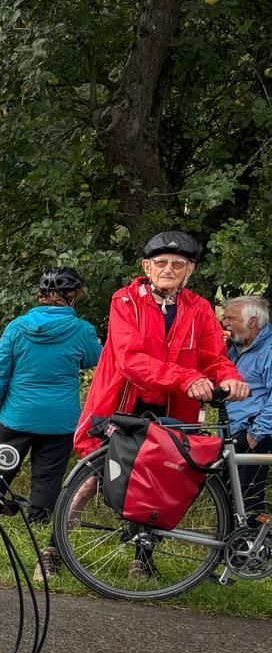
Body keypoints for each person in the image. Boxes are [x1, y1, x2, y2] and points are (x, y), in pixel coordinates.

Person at [69, 230, 246, 577]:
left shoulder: (199, 308)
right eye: (161, 262)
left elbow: (213, 354)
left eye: (178, 264)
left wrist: (229, 376)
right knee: (94, 474)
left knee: (164, 479)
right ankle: (56, 546)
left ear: (190, 271)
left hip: (172, 408)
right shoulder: (125, 301)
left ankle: (144, 555)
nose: (169, 269)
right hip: (125, 400)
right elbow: (130, 359)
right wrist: (186, 378)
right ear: (146, 267)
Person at [0, 267, 102, 554]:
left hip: (16, 416)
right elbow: (96, 359)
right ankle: (39, 522)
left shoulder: (17, 327)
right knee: (48, 476)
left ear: (41, 296)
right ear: (74, 296)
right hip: (59, 420)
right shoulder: (82, 330)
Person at [222, 294, 272, 514]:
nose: (225, 323)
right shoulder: (237, 346)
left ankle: (252, 544)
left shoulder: (268, 350)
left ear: (252, 322)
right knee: (229, 496)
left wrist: (256, 433)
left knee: (248, 499)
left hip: (255, 433)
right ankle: (230, 542)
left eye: (231, 318)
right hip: (233, 431)